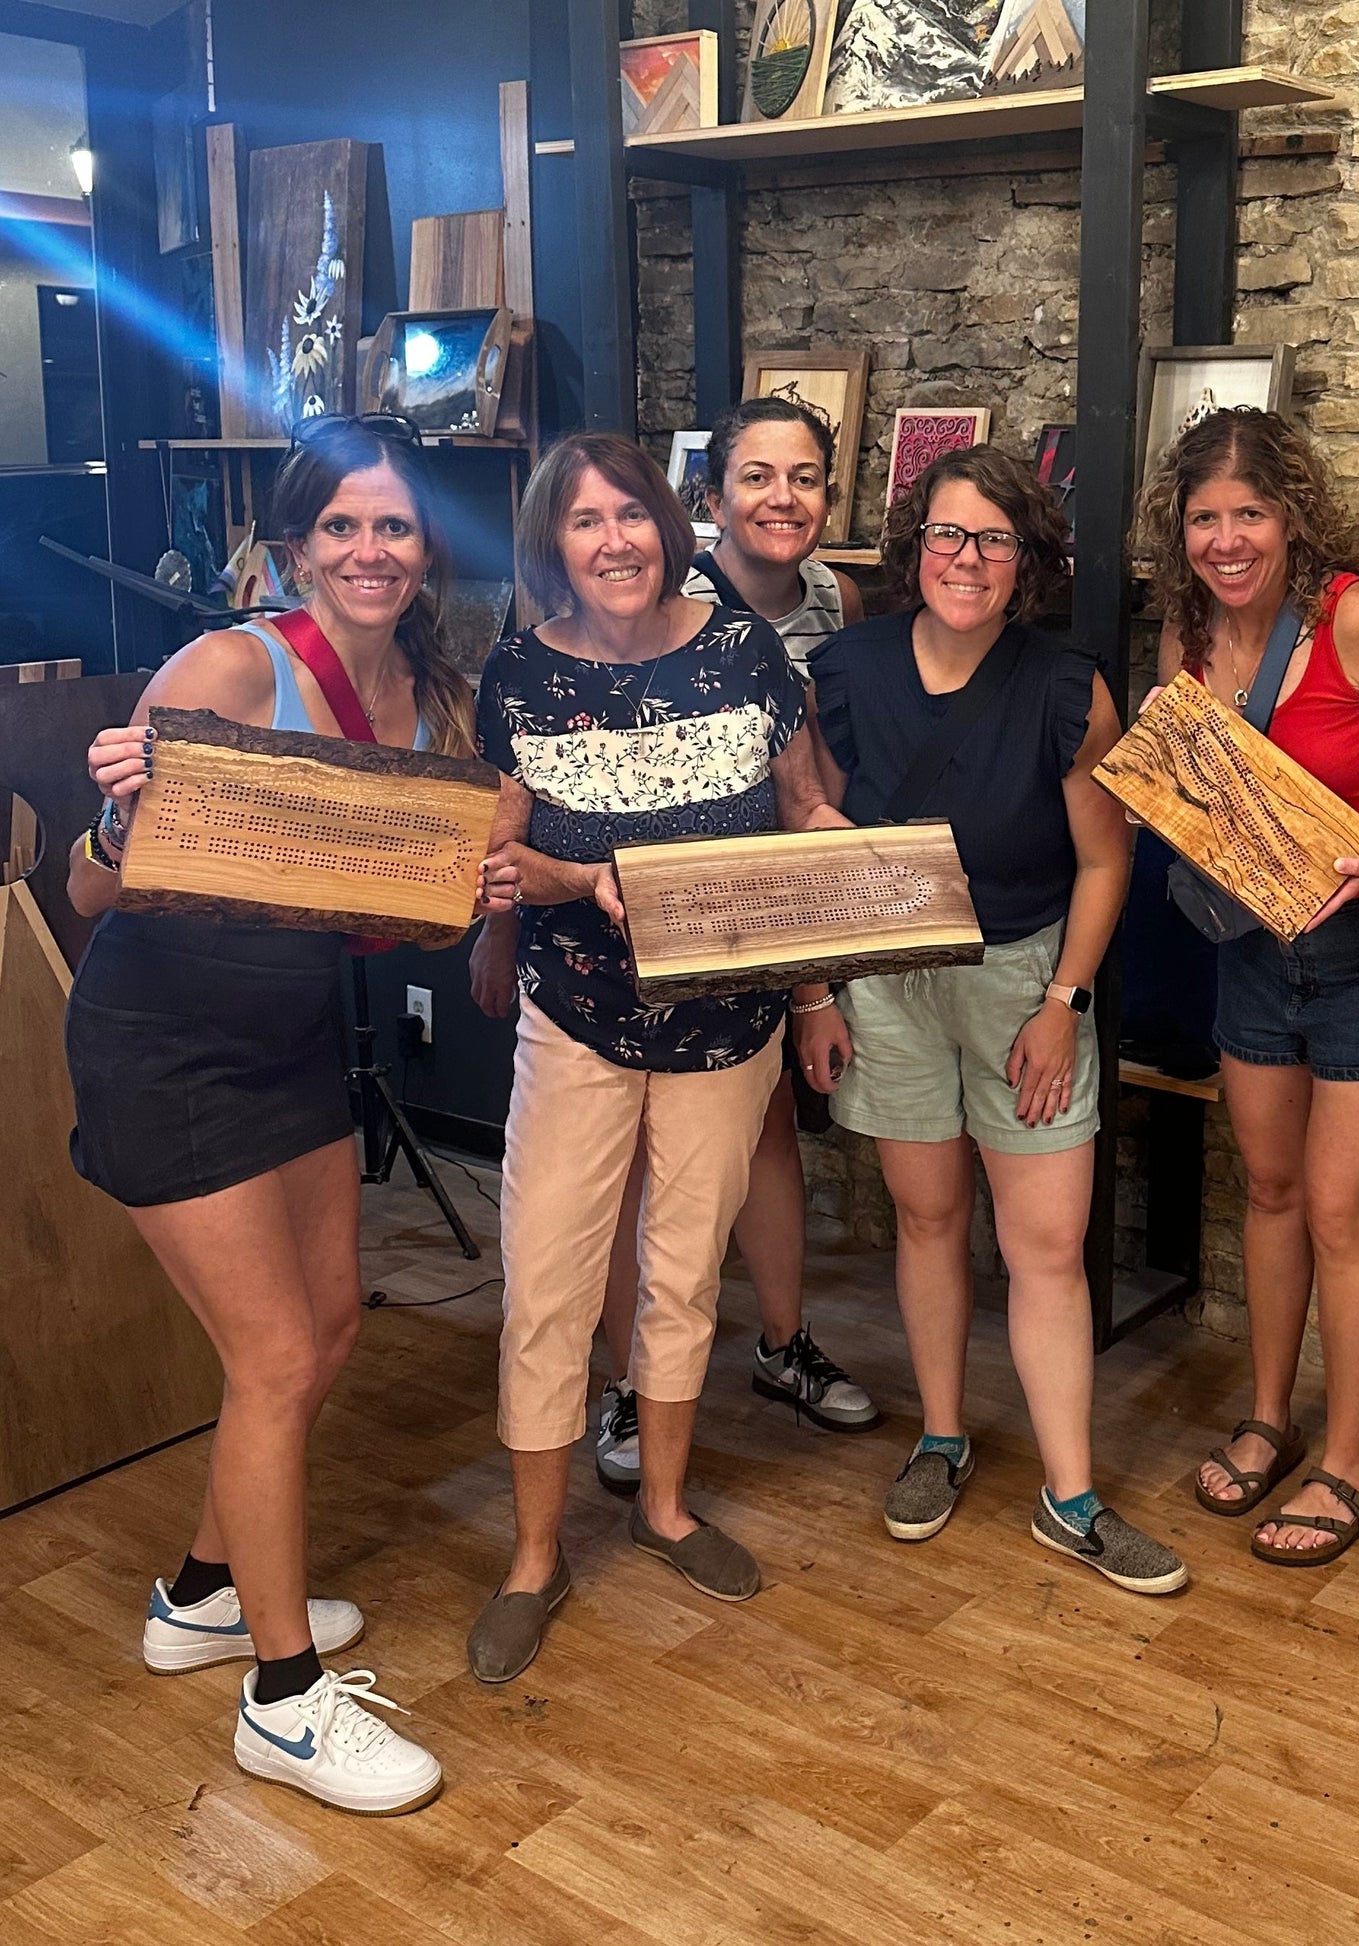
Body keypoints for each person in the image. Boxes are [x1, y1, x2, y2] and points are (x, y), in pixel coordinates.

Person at [65, 417, 472, 1815]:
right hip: (166, 1038)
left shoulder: (429, 688)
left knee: (330, 1327)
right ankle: (283, 1700)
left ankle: (200, 1594)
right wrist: (120, 824)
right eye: (342, 527)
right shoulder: (238, 663)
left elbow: (414, 877)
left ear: (426, 549)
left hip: (291, 1028)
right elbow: (85, 886)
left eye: (396, 526)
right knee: (276, 1350)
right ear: (294, 544)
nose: (370, 551)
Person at [466, 431, 849, 1684]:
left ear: (667, 522)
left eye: (629, 514)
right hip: (573, 1012)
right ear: (553, 543)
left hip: (726, 1023)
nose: (614, 540)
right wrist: (583, 881)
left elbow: (801, 810)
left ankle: (663, 1506)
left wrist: (814, 963)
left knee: (683, 1275)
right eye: (584, 523)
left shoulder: (743, 650)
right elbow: (498, 855)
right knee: (549, 1284)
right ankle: (532, 1556)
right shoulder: (517, 673)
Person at [797, 444, 1187, 1596]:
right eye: (948, 536)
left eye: (996, 540)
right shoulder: (844, 667)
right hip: (890, 973)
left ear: (1028, 561)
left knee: (1048, 1245)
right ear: (915, 545)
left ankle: (1070, 1494)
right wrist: (817, 988)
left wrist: (1064, 1004)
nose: (968, 560)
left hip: (1023, 973)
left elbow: (1104, 861)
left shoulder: (1070, 684)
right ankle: (941, 1436)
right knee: (924, 1221)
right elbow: (809, 825)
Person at [1138, 407, 1359, 1568]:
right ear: (1176, 529)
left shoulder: (1356, 617)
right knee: (1270, 1195)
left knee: (1339, 1212)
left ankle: (1348, 1462)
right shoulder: (1185, 633)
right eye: (1203, 518)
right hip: (1249, 947)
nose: (1225, 539)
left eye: (1247, 514)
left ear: (1290, 517)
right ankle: (1268, 1415)